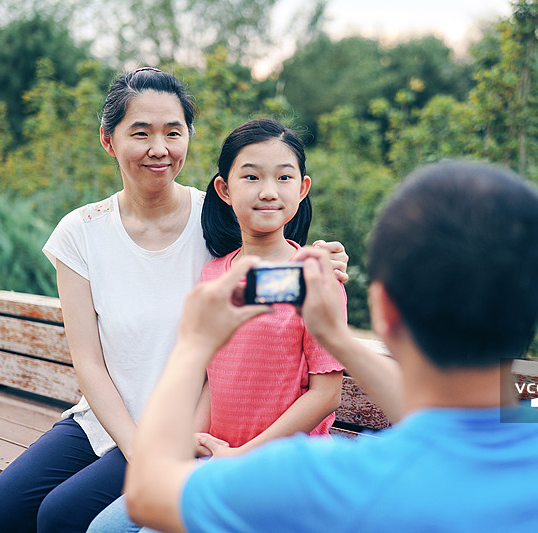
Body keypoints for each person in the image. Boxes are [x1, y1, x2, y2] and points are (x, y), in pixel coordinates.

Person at [124, 160, 538, 533]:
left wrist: (194, 344)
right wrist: (337, 339)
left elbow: (148, 493)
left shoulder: (323, 481)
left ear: (384, 310)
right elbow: (450, 419)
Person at [0, 68, 348, 533]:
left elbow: (276, 237)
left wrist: (326, 258)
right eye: (141, 133)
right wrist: (138, 448)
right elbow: (88, 363)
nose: (159, 148)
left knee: (62, 515)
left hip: (187, 428)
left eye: (173, 132)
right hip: (109, 420)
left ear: (188, 136)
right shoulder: (81, 232)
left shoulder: (218, 218)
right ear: (108, 140)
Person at [87, 118, 347, 532]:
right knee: (104, 528)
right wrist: (189, 444)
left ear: (302, 189)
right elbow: (216, 375)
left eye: (283, 177)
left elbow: (325, 395)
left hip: (280, 468)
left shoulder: (318, 276)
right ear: (224, 190)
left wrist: (242, 455)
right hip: (216, 458)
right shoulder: (214, 276)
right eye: (251, 176)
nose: (268, 191)